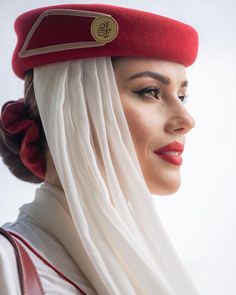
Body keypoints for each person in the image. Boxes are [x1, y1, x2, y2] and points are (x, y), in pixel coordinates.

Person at [0, 3, 199, 295]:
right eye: (150, 91)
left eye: (182, 96)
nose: (186, 120)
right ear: (72, 105)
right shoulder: (8, 265)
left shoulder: (150, 265)